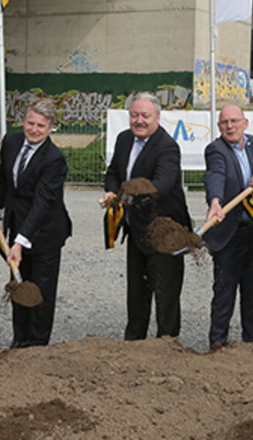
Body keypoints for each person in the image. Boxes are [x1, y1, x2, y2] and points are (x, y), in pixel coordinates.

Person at [0, 98, 72, 349]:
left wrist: (21, 241)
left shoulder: (54, 159)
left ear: (51, 127)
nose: (34, 129)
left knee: (40, 290)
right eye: (30, 123)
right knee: (19, 283)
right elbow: (2, 175)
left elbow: (42, 204)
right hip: (16, 223)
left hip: (45, 232)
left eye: (41, 126)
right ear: (23, 121)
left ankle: (37, 345)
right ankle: (19, 340)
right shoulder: (11, 142)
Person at [103, 93, 191, 340]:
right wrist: (112, 190)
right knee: (137, 293)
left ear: (157, 118)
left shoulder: (167, 147)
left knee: (166, 296)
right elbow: (112, 174)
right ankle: (134, 345)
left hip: (165, 232)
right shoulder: (123, 140)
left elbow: (161, 185)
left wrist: (130, 193)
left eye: (145, 116)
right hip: (135, 230)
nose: (139, 120)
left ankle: (167, 344)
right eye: (134, 115)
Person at [203, 105, 253, 348]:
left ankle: (252, 343)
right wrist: (215, 200)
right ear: (219, 127)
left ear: (245, 123)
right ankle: (217, 343)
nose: (230, 126)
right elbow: (215, 175)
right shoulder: (216, 149)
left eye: (234, 121)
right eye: (225, 122)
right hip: (229, 233)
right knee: (225, 292)